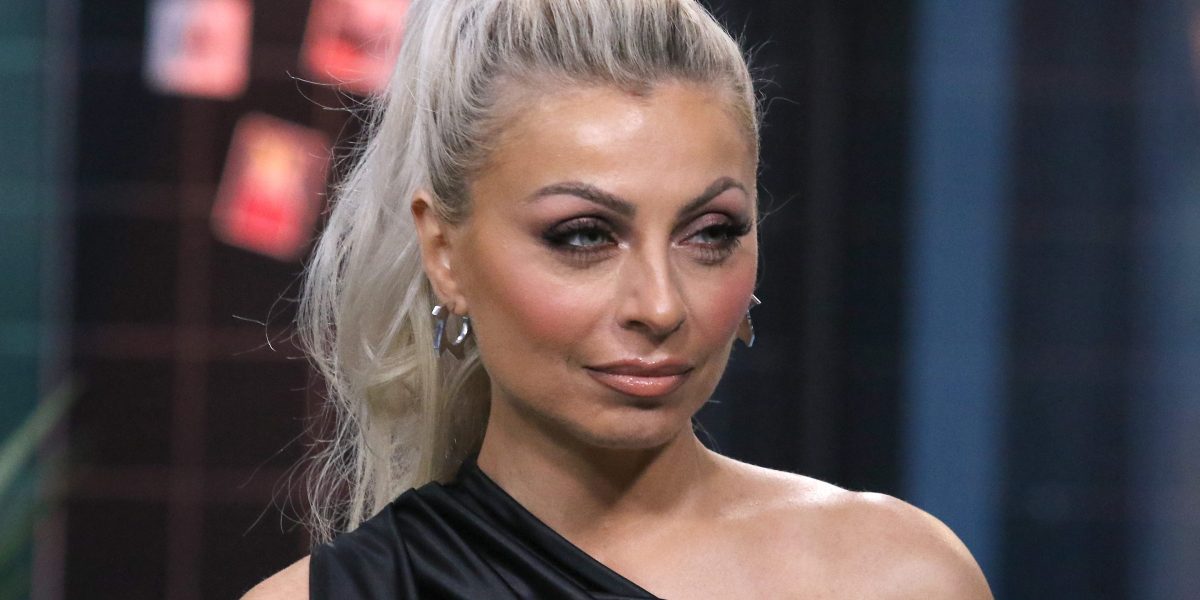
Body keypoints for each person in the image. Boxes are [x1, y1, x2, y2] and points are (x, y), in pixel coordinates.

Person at [247, 0, 993, 598]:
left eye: (710, 234)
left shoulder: (896, 578)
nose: (661, 306)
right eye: (584, 236)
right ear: (444, 255)